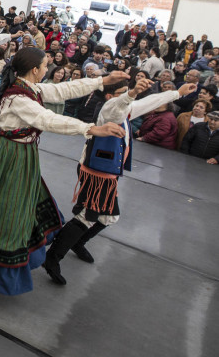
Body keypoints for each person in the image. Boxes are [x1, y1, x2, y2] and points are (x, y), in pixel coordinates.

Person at [0, 48, 128, 296]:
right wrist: (93, 129)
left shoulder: (32, 89)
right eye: (44, 65)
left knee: (10, 208)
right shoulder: (19, 98)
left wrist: (102, 81)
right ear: (34, 70)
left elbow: (64, 90)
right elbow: (48, 120)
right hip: (5, 156)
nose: (46, 69)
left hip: (21, 157)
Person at [43, 78, 197, 286]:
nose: (128, 95)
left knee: (109, 217)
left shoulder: (126, 111)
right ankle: (52, 258)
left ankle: (77, 243)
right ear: (110, 96)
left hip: (106, 175)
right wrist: (131, 93)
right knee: (87, 216)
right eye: (122, 91)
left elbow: (148, 102)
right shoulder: (110, 109)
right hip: (97, 175)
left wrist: (177, 93)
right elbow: (120, 105)